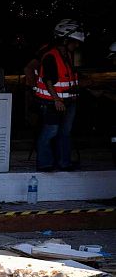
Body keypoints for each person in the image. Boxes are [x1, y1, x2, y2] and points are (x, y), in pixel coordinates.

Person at [33, 19, 84, 171]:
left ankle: (64, 162)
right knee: (51, 131)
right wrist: (56, 100)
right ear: (65, 40)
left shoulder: (67, 55)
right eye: (74, 42)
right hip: (52, 102)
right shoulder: (50, 56)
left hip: (68, 101)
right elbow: (48, 80)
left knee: (65, 133)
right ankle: (44, 163)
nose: (77, 45)